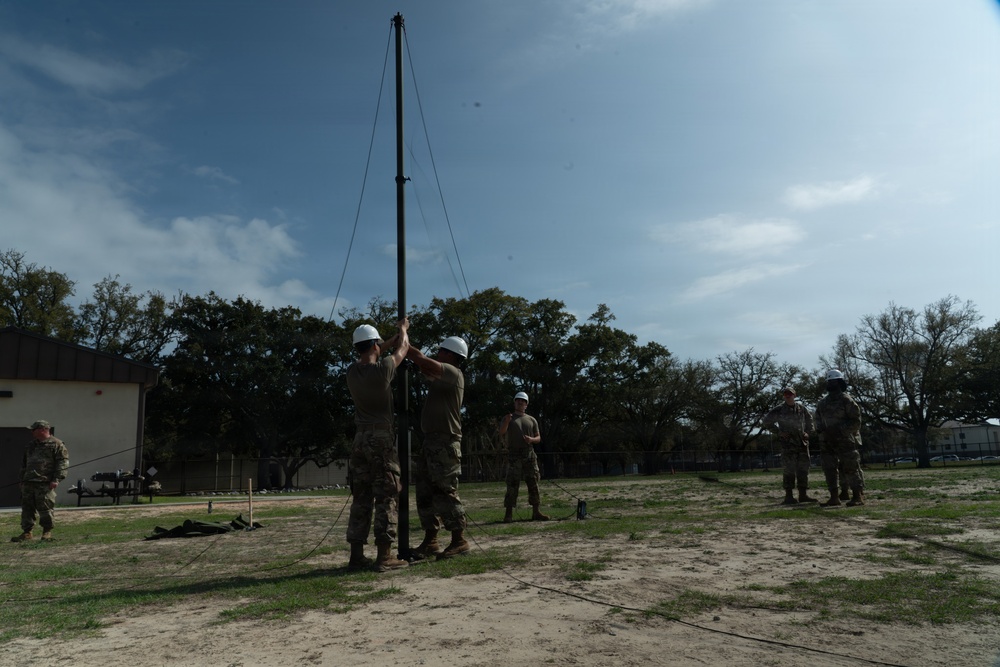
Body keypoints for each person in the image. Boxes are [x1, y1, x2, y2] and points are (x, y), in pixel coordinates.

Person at [345, 318, 410, 572]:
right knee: (387, 494)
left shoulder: (352, 372)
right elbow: (402, 351)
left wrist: (385, 341)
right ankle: (385, 556)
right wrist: (402, 331)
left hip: (359, 439)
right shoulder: (383, 369)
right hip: (380, 438)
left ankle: (356, 555)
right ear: (374, 345)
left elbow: (377, 350)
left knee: (361, 497)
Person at [406, 336, 470, 560]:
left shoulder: (453, 373)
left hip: (445, 443)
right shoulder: (442, 377)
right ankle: (431, 540)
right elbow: (422, 365)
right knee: (425, 492)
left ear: (450, 355)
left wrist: (403, 342)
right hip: (431, 442)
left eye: (441, 351)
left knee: (445, 491)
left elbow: (422, 360)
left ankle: (459, 540)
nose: (438, 353)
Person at [12, 420, 69, 542]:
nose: (32, 432)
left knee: (45, 507)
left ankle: (46, 532)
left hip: (45, 482)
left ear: (43, 429)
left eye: (34, 429)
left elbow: (62, 463)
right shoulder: (31, 445)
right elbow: (24, 464)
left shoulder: (57, 444)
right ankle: (27, 532)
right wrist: (22, 479)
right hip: (28, 482)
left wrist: (57, 479)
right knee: (27, 508)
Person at [814, 369, 865, 507]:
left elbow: (856, 421)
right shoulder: (822, 403)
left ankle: (857, 496)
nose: (831, 383)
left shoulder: (846, 400)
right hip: (827, 441)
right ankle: (834, 497)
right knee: (829, 469)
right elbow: (817, 419)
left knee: (851, 468)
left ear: (840, 382)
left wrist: (840, 430)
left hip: (845, 441)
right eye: (829, 381)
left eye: (834, 381)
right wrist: (821, 431)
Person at [498, 392, 549, 522]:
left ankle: (536, 512)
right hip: (514, 454)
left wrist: (531, 439)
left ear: (526, 404)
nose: (520, 403)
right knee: (512, 483)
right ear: (514, 403)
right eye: (518, 401)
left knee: (533, 482)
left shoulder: (532, 420)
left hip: (529, 453)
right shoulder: (508, 418)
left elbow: (538, 438)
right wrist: (507, 422)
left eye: (523, 401)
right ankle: (508, 514)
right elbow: (502, 432)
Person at [762, 387, 817, 504]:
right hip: (788, 445)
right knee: (789, 470)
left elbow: (810, 422)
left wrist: (808, 432)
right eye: (786, 394)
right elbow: (767, 421)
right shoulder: (779, 409)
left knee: (803, 470)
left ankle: (803, 495)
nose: (788, 396)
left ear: (795, 395)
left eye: (790, 394)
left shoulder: (802, 409)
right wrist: (779, 432)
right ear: (784, 396)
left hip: (802, 444)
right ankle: (789, 496)